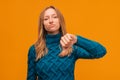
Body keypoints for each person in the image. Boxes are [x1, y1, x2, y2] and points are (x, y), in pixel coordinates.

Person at [27, 6, 107, 80]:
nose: (51, 21)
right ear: (42, 24)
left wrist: (77, 39)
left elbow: (101, 51)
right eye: (46, 19)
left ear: (60, 20)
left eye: (55, 17)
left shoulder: (71, 46)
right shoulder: (35, 49)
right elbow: (30, 78)